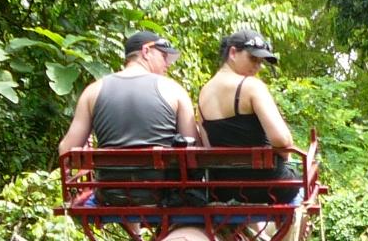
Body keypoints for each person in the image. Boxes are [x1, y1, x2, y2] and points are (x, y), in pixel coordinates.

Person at [58, 30, 197, 154]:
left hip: (109, 175)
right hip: (163, 175)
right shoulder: (174, 90)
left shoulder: (92, 92)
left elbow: (66, 149)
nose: (167, 64)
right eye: (163, 56)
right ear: (146, 51)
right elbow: (194, 148)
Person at [197, 29, 293, 151]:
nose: (258, 67)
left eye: (260, 62)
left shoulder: (203, 94)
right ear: (233, 53)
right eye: (253, 58)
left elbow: (207, 146)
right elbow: (281, 140)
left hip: (220, 164)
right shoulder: (252, 86)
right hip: (263, 164)